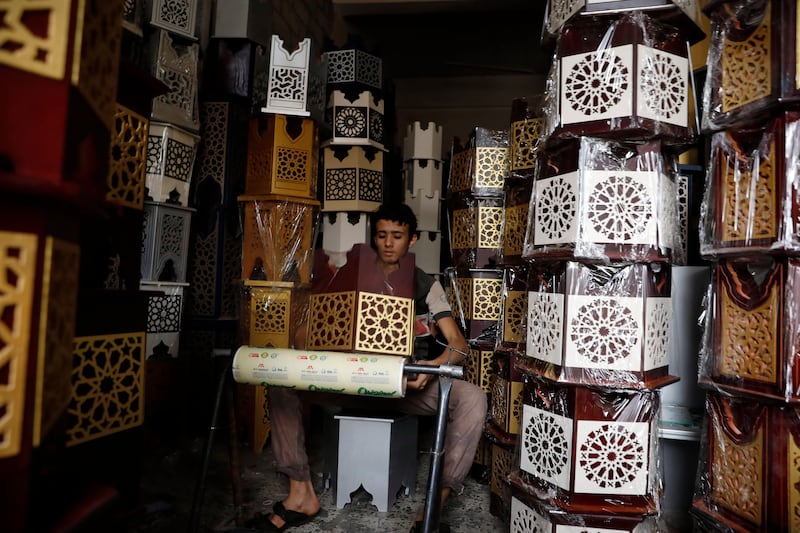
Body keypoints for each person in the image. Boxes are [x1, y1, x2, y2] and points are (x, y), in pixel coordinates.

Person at [251, 203, 488, 532]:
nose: (389, 243)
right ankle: (300, 494)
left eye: (398, 236)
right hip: (348, 380)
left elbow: (458, 346)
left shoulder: (425, 285)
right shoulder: (349, 273)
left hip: (404, 384)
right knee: (280, 382)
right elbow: (307, 334)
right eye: (381, 236)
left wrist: (429, 368)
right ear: (373, 239)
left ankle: (435, 506)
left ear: (412, 240)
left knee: (472, 398)